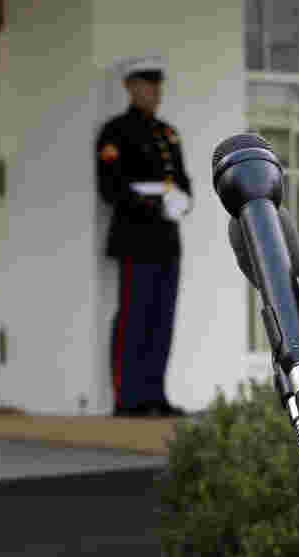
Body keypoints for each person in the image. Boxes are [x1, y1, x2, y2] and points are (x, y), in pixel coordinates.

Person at [96, 55, 191, 417]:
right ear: (131, 87)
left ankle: (155, 393)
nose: (155, 92)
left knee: (161, 318)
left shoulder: (168, 133)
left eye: (157, 85)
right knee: (134, 317)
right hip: (135, 238)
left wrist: (182, 200)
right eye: (147, 85)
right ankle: (128, 399)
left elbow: (181, 181)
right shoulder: (116, 133)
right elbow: (112, 188)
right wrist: (153, 204)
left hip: (166, 240)